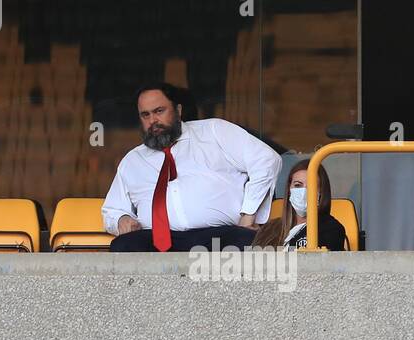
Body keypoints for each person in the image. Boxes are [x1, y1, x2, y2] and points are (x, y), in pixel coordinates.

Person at [103, 82, 281, 252]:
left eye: (159, 111)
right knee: (123, 246)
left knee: (246, 241)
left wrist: (248, 215)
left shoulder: (214, 132)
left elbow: (266, 160)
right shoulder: (132, 161)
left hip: (219, 235)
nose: (153, 120)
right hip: (157, 241)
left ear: (178, 110)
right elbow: (112, 209)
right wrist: (121, 219)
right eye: (145, 115)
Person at [252, 158, 349, 251]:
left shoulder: (331, 229)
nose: (303, 191)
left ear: (322, 192)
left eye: (311, 186)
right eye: (298, 185)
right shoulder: (270, 228)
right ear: (289, 189)